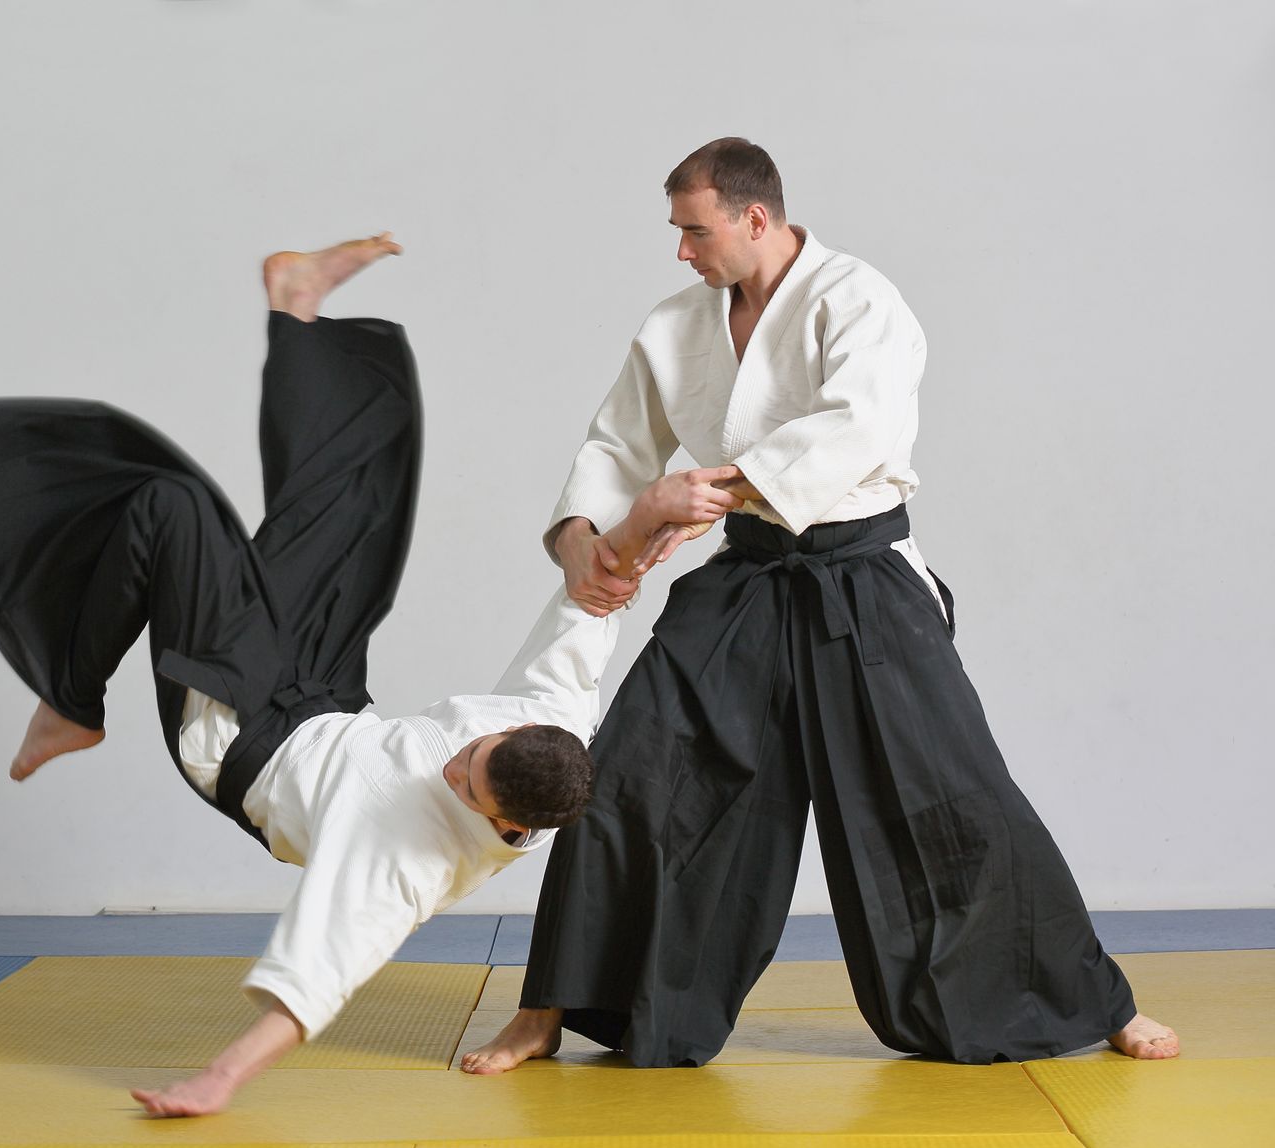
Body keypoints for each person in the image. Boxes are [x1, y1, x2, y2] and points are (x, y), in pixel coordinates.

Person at [0, 234, 743, 1115]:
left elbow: (316, 978)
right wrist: (645, 515)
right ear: (520, 732)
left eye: (465, 783)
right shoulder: (554, 719)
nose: (454, 763)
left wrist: (216, 1081)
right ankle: (295, 309)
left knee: (168, 506)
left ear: (499, 818)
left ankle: (70, 699)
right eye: (475, 749)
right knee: (354, 512)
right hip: (325, 692)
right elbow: (600, 598)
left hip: (239, 735)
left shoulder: (410, 859)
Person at [464, 139, 1179, 1074]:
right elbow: (614, 445)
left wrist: (704, 491)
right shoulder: (677, 325)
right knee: (635, 772)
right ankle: (549, 1007)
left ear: (755, 217)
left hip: (862, 578)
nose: (682, 251)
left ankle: (1092, 1000)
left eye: (695, 230)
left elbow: (859, 426)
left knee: (952, 796)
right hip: (749, 580)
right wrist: (580, 542)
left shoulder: (859, 299)